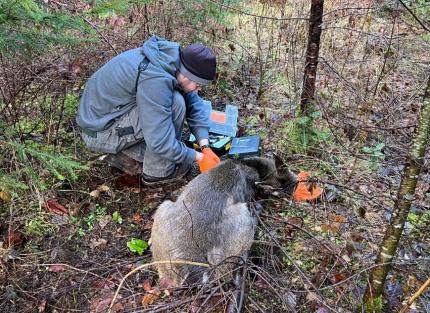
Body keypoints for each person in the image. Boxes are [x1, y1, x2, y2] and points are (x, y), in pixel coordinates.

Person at [76, 36, 220, 185]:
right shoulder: (155, 80)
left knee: (178, 100)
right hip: (98, 132)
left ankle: (126, 156)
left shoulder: (170, 60)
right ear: (185, 76)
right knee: (176, 103)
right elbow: (159, 142)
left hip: (110, 117)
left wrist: (205, 145)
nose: (198, 89)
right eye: (197, 85)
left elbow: (194, 102)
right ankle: (158, 172)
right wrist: (198, 158)